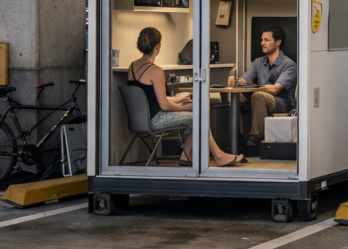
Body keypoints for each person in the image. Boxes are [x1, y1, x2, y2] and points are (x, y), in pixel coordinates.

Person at [127, 27, 245, 167]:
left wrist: (178, 100)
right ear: (158, 46)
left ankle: (186, 155)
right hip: (155, 120)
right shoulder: (155, 70)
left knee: (193, 110)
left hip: (140, 120)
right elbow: (164, 105)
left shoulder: (132, 67)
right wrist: (188, 107)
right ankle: (219, 156)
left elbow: (149, 98)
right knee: (198, 115)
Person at [231, 24, 297, 153]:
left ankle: (255, 141)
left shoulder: (289, 64)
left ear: (278, 42)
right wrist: (238, 81)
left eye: (266, 40)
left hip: (283, 103)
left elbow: (276, 89)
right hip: (261, 98)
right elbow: (246, 78)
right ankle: (235, 137)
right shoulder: (258, 62)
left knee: (258, 95)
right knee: (237, 95)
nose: (262, 43)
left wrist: (256, 87)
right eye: (262, 40)